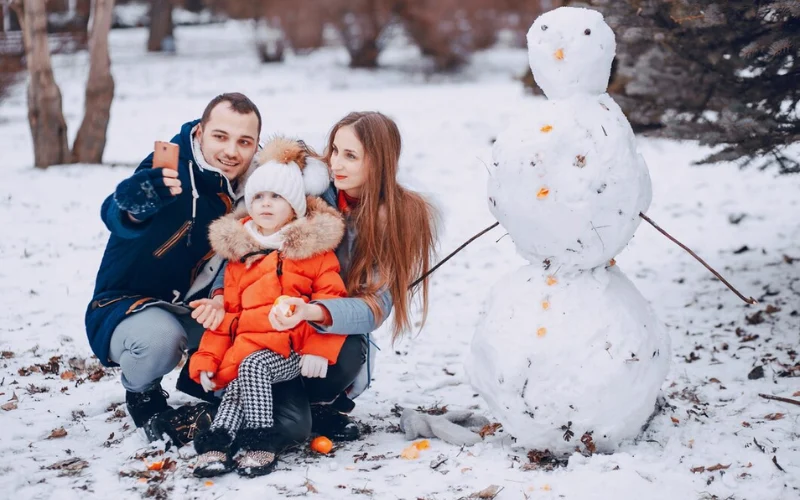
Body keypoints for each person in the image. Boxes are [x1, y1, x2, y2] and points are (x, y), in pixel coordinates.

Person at [200, 111, 439, 450]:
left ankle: (310, 405)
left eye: (351, 156)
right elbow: (248, 240)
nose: (336, 164)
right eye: (335, 150)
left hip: (318, 329)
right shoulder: (311, 191)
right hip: (263, 324)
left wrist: (313, 311)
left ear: (379, 163)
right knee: (286, 417)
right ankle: (267, 408)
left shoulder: (395, 218)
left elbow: (374, 308)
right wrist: (219, 295)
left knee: (348, 350)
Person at [85, 93, 263, 442]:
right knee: (160, 338)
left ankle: (202, 382)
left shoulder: (257, 187)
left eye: (244, 142)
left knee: (253, 341)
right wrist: (132, 206)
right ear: (199, 132)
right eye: (221, 137)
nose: (231, 151)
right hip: (127, 305)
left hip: (204, 308)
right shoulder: (170, 170)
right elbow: (117, 213)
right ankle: (143, 393)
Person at [188, 136, 346, 477]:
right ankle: (217, 444)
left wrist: (318, 348)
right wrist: (207, 359)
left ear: (295, 207)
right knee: (236, 385)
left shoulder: (315, 253)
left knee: (253, 366)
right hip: (246, 347)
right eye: (258, 196)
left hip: (291, 350)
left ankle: (261, 442)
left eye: (277, 197)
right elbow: (227, 319)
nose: (266, 204)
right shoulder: (240, 257)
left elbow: (331, 301)